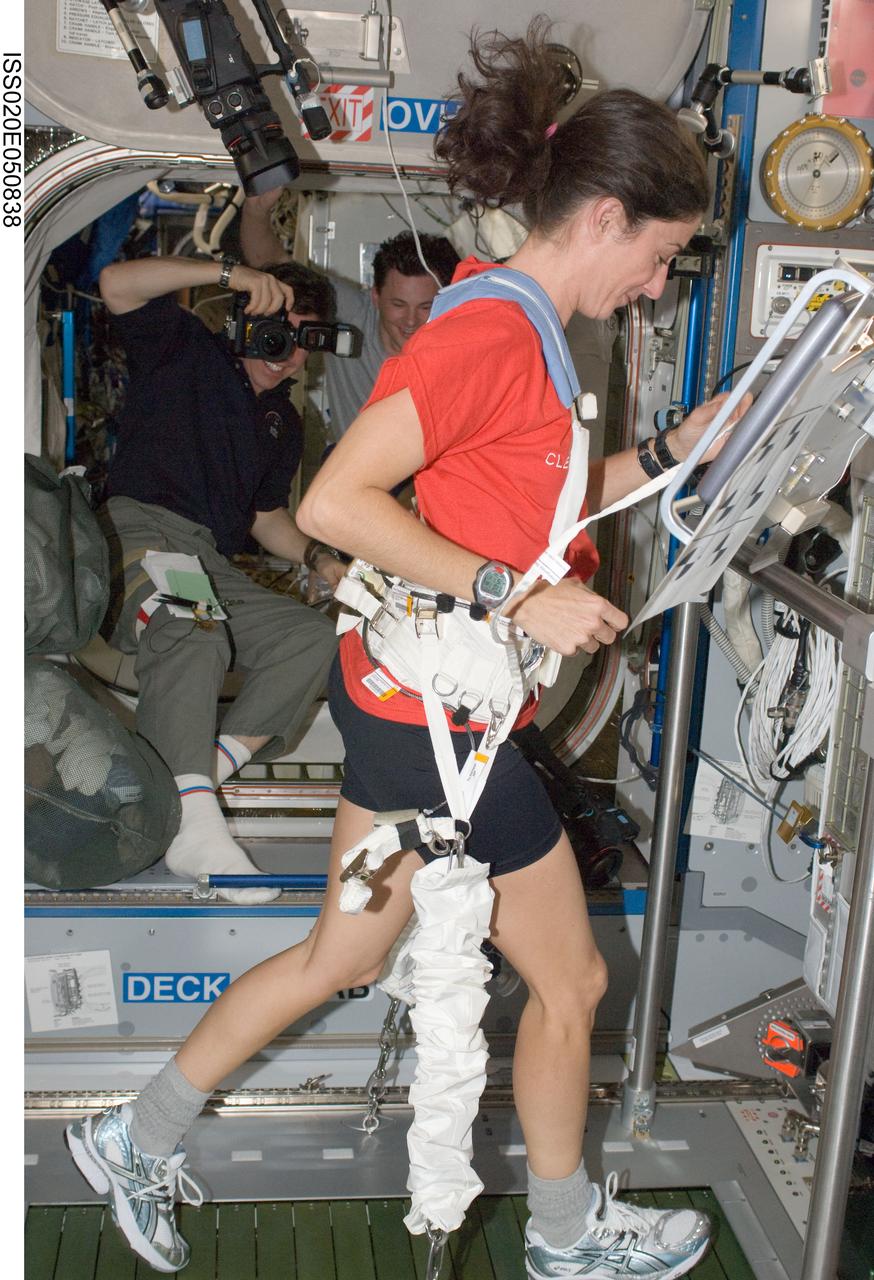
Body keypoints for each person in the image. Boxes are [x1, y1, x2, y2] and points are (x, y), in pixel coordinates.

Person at [66, 19, 749, 1277]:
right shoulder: (490, 329)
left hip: (409, 702)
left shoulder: (537, 333)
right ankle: (564, 1236)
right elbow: (335, 505)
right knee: (574, 983)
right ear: (602, 216)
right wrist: (510, 595)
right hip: (438, 721)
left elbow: (536, 497)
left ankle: (131, 1130)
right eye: (657, 257)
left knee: (344, 952)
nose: (657, 286)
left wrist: (669, 453)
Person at [95, 253, 344, 904]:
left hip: (208, 559)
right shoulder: (184, 350)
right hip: (142, 532)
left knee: (312, 640)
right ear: (246, 320)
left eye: (301, 343)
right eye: (276, 332)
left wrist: (320, 559)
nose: (284, 354)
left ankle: (191, 784)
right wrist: (231, 275)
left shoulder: (282, 423)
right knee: (194, 626)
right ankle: (196, 824)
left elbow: (267, 519)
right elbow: (116, 284)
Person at [242, 194, 460, 440]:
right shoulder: (354, 314)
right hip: (357, 472)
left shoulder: (465, 344)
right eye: (398, 304)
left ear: (447, 302)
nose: (410, 321)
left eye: (425, 307)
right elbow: (271, 268)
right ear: (375, 296)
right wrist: (255, 210)